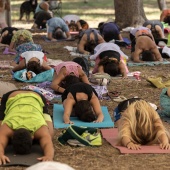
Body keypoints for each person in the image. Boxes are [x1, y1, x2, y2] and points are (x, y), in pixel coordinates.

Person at [0, 90, 54, 165]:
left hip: (35, 97)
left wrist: (49, 156)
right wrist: (48, 156)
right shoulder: (8, 127)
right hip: (13, 96)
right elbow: (1, 143)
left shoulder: (39, 128)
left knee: (50, 134)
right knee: (48, 135)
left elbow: (47, 144)